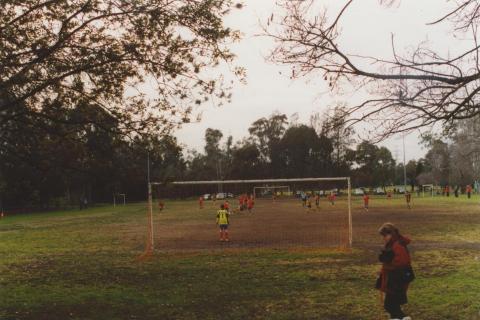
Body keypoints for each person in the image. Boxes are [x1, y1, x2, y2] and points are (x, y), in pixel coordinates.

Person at [376, 223, 414, 320]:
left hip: (398, 279)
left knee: (389, 305)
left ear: (391, 234)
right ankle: (399, 318)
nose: (383, 238)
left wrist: (388, 264)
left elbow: (402, 263)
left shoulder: (398, 245)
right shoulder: (392, 243)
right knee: (393, 304)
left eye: (385, 235)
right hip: (395, 278)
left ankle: (404, 318)